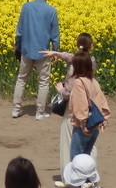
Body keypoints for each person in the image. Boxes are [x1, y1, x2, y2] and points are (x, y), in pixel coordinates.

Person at [42, 32, 99, 170]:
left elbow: (68, 92)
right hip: (90, 104)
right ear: (90, 46)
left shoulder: (76, 65)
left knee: (68, 139)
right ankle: (90, 172)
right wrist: (58, 53)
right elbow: (72, 58)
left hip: (74, 107)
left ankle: (70, 175)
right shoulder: (90, 61)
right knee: (89, 142)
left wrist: (60, 89)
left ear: (77, 44)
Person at [12, 0, 60, 119]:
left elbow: (19, 30)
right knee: (43, 82)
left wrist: (18, 45)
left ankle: (16, 109)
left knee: (21, 79)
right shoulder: (51, 10)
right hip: (43, 51)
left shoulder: (26, 7)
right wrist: (55, 51)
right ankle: (40, 112)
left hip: (26, 49)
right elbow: (54, 33)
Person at [67, 52, 110, 159]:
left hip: (84, 126)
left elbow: (81, 104)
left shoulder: (78, 82)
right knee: (86, 158)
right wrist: (104, 119)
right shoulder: (93, 81)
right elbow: (102, 101)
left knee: (76, 160)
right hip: (95, 125)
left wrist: (83, 124)